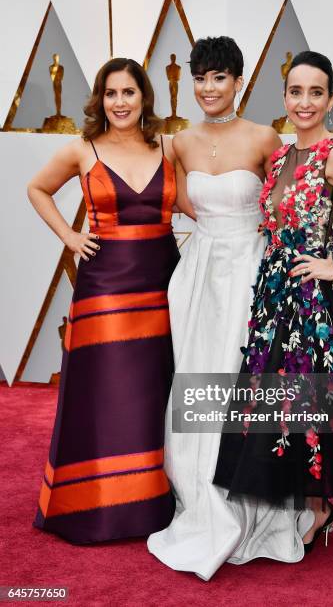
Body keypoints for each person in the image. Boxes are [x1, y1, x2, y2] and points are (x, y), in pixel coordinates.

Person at [214, 50, 333, 552]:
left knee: (324, 400)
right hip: (276, 296)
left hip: (316, 304)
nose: (304, 102)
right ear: (285, 97)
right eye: (296, 92)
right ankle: (318, 506)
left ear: (331, 99)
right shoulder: (279, 156)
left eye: (315, 92)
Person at [147, 37, 313, 580]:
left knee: (244, 381)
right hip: (198, 277)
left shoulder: (265, 137)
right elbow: (168, 196)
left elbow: (290, 204)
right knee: (197, 377)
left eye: (219, 78)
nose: (208, 89)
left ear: (238, 81)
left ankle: (256, 505)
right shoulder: (179, 142)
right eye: (200, 78)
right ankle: (201, 500)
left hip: (250, 271)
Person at [29, 58, 180, 543]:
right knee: (108, 393)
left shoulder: (168, 148)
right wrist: (70, 237)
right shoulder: (82, 149)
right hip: (106, 286)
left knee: (156, 391)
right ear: (101, 99)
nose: (120, 102)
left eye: (129, 93)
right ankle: (96, 506)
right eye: (111, 93)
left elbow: (196, 204)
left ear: (144, 98)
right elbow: (37, 189)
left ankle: (155, 502)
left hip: (163, 280)